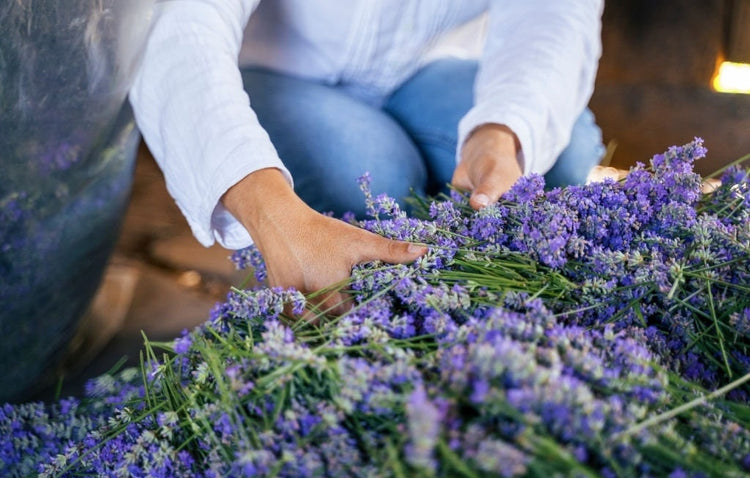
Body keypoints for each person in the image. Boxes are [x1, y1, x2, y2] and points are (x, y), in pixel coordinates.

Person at [129, 0, 605, 313]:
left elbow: (553, 14)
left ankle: (435, 285)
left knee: (559, 155)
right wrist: (266, 205)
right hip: (277, 66)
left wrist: (499, 134)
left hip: (420, 65)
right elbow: (180, 24)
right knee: (374, 180)